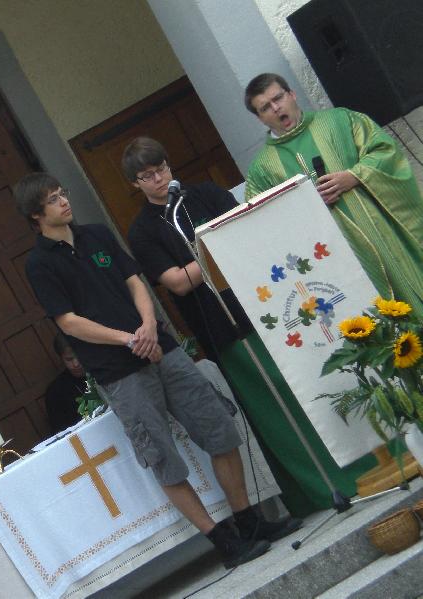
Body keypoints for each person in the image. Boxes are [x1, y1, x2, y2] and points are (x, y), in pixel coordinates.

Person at [15, 172, 300, 569]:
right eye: (52, 199)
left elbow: (135, 283)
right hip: (119, 370)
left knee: (218, 427)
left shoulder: (96, 234)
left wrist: (149, 326)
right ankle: (222, 541)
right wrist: (128, 340)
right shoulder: (40, 264)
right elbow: (69, 322)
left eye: (63, 193)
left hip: (162, 349)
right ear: (35, 214)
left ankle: (249, 521)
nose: (64, 201)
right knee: (163, 458)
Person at [122, 136, 375, 515]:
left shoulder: (206, 194)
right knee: (275, 407)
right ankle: (318, 488)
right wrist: (215, 250)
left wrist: (212, 254)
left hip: (266, 307)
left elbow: (248, 238)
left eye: (161, 168)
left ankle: (365, 465)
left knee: (312, 386)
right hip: (222, 328)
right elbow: (176, 282)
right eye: (147, 176)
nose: (158, 179)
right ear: (135, 184)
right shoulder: (143, 231)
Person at [244, 72, 423, 316]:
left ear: (292, 94)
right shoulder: (261, 170)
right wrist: (305, 207)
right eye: (265, 107)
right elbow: (264, 225)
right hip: (332, 259)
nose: (276, 108)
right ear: (260, 118)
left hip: (381, 233)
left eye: (278, 98)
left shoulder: (340, 120)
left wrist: (354, 176)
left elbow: (384, 151)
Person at [45, 332, 86, 434]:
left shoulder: (103, 371)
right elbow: (61, 431)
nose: (76, 364)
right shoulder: (55, 392)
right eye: (69, 359)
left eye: (78, 356)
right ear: (61, 359)